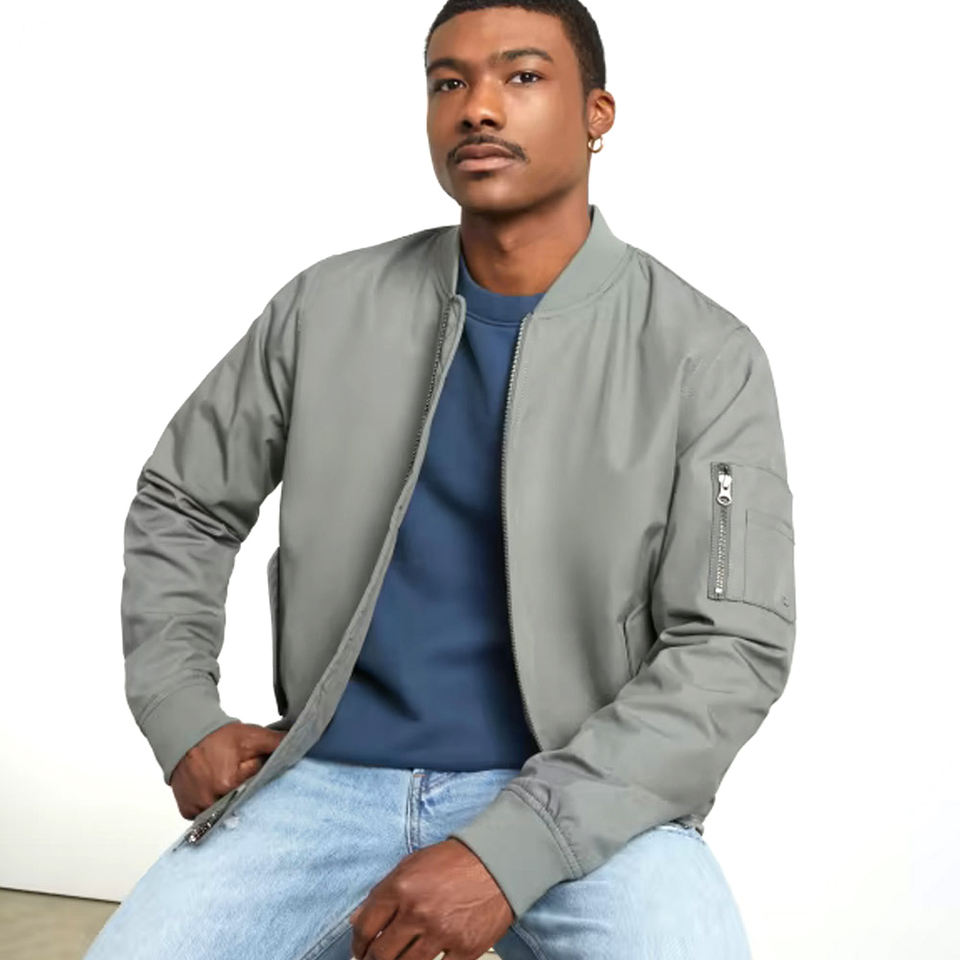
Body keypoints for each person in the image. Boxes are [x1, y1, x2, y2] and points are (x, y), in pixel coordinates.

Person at [86, 2, 796, 958]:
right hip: (330, 774)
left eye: (523, 76)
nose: (478, 108)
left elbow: (732, 644)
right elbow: (184, 500)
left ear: (598, 113)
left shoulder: (703, 354)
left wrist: (510, 850)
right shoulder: (327, 307)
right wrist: (180, 711)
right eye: (448, 82)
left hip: (583, 791)